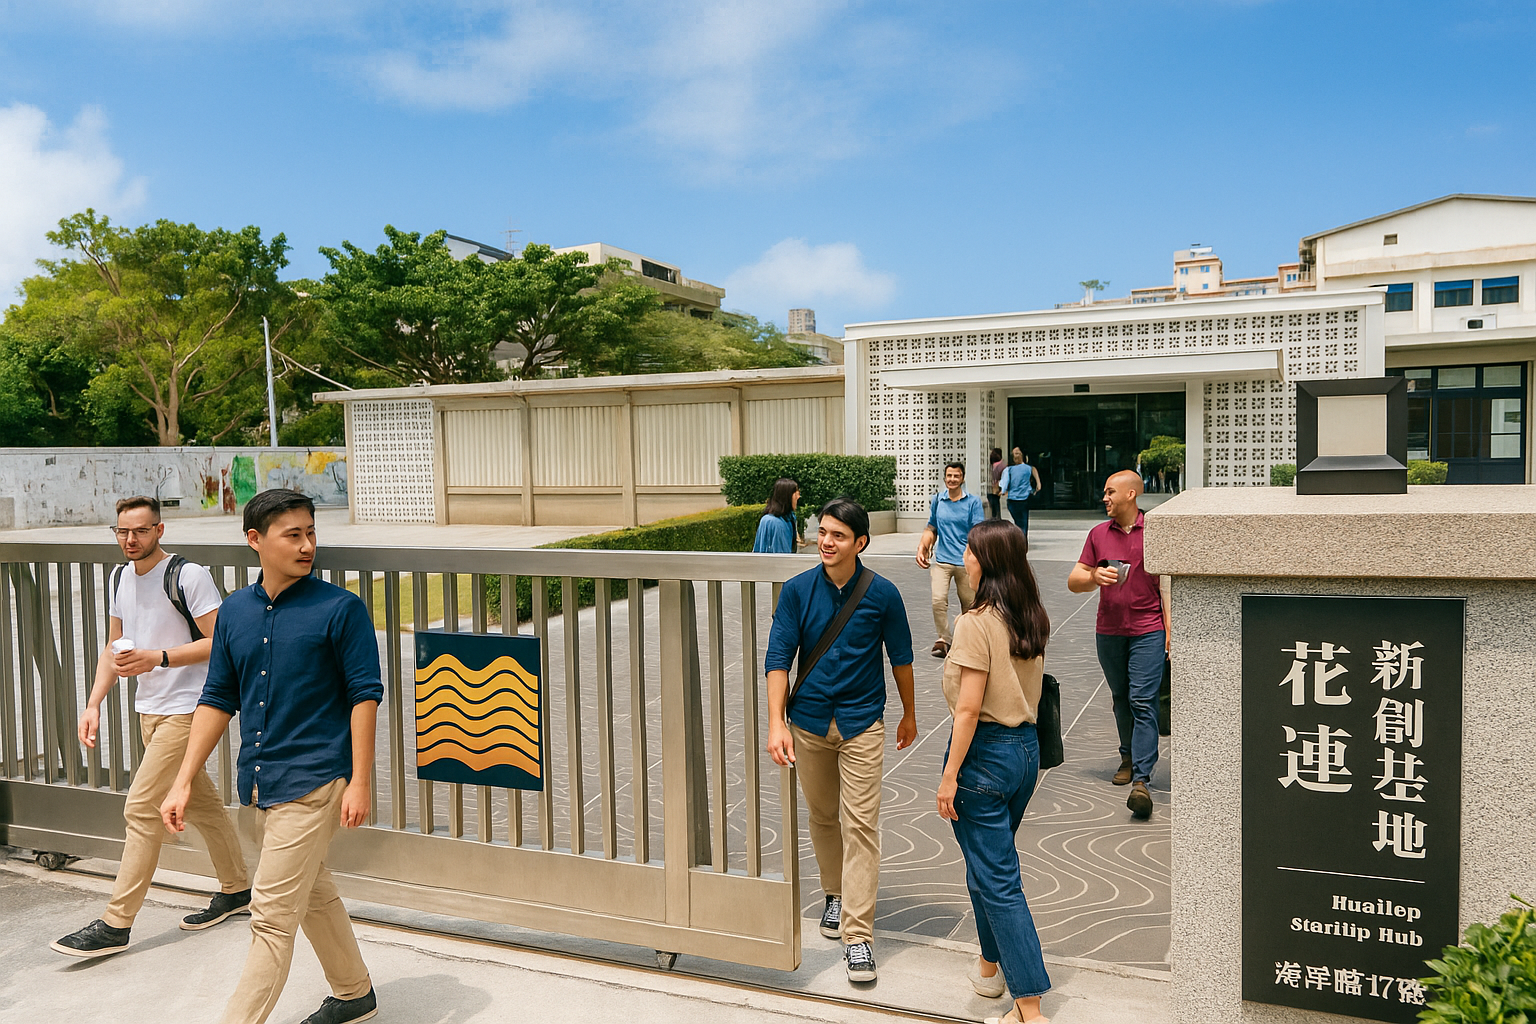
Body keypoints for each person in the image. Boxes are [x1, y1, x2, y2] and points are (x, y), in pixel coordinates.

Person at [160, 489, 383, 1024]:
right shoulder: (235, 611)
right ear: (256, 541)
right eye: (294, 535)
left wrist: (359, 781)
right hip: (259, 782)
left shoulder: (340, 609)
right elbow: (218, 696)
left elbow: (365, 695)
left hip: (315, 779)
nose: (308, 545)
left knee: (271, 915)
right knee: (312, 891)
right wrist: (183, 779)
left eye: (311, 532)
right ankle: (354, 994)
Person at [51, 496, 249, 959]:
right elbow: (114, 644)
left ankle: (116, 923)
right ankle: (237, 889)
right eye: (122, 532)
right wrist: (94, 702)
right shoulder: (119, 577)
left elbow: (220, 640)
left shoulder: (189, 575)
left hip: (189, 709)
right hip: (149, 709)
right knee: (200, 804)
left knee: (142, 808)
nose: (130, 540)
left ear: (159, 530)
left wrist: (159, 657)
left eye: (140, 531)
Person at [765, 498, 917, 984]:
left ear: (860, 543)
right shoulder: (796, 591)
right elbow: (777, 659)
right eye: (823, 533)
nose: (827, 542)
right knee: (823, 816)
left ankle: (858, 936)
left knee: (861, 825)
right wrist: (775, 722)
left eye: (838, 535)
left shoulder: (883, 594)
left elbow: (902, 657)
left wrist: (909, 713)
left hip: (861, 722)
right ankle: (834, 893)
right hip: (807, 721)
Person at [937, 519, 1052, 1024]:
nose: (964, 557)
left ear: (985, 560)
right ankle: (989, 970)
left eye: (969, 550)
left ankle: (1029, 1008)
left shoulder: (975, 621)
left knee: (999, 880)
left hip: (983, 754)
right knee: (986, 866)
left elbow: (967, 709)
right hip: (1025, 752)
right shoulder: (1028, 614)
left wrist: (949, 776)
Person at [1066, 470, 1170, 821]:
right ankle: (1127, 755)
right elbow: (1074, 579)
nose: (1104, 498)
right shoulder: (1098, 534)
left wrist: (1170, 631)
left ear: (1131, 494)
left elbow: (1167, 586)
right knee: (1120, 697)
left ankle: (1141, 778)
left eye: (1110, 492)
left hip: (1148, 629)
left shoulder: (1154, 532)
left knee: (1143, 699)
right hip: (1108, 630)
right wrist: (1094, 576)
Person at [917, 462, 985, 658]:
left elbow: (977, 531)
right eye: (949, 476)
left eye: (956, 476)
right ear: (944, 478)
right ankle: (944, 639)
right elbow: (932, 527)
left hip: (966, 562)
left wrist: (974, 558)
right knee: (938, 600)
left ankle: (969, 639)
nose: (952, 479)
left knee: (969, 603)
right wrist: (923, 546)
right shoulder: (938, 500)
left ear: (962, 478)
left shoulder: (973, 502)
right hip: (943, 560)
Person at [999, 448, 1041, 536]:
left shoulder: (1009, 469)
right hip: (1022, 499)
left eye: (1017, 453)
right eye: (1015, 454)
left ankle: (1020, 542)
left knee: (1018, 523)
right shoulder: (1026, 468)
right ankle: (1022, 542)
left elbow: (1005, 483)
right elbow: (1034, 470)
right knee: (1023, 523)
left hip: (1014, 500)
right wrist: (1038, 483)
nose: (1016, 456)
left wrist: (1003, 491)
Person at [752, 477, 801, 553]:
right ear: (787, 497)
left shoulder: (788, 518)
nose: (798, 497)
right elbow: (781, 557)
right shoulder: (775, 523)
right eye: (795, 494)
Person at [987, 447, 1006, 520]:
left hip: (998, 489)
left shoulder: (1002, 466)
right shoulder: (993, 465)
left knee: (996, 506)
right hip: (992, 489)